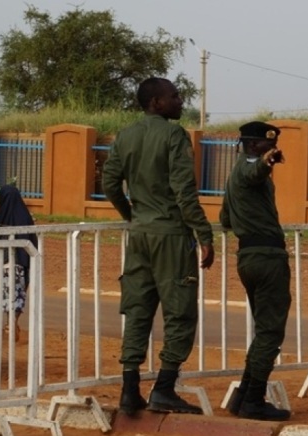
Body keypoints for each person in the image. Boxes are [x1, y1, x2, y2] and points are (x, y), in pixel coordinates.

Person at [103, 77, 215, 416]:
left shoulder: (126, 135)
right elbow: (184, 190)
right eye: (175, 96)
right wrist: (204, 235)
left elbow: (109, 183)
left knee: (137, 310)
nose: (181, 100)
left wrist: (132, 216)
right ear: (156, 103)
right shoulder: (173, 135)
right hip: (170, 235)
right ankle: (164, 389)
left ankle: (129, 389)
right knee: (180, 312)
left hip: (140, 235)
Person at [219, 121, 291, 421]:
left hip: (248, 256)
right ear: (252, 146)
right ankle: (253, 401)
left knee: (263, 331)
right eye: (265, 145)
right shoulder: (250, 167)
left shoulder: (234, 174)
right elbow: (255, 171)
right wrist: (265, 163)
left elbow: (224, 218)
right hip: (267, 257)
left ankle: (242, 397)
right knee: (270, 332)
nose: (271, 149)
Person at [0, 185, 38, 343]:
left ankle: (10, 323)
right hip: (23, 264)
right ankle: (12, 322)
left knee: (7, 294)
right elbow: (33, 240)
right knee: (19, 294)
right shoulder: (26, 218)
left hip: (4, 264)